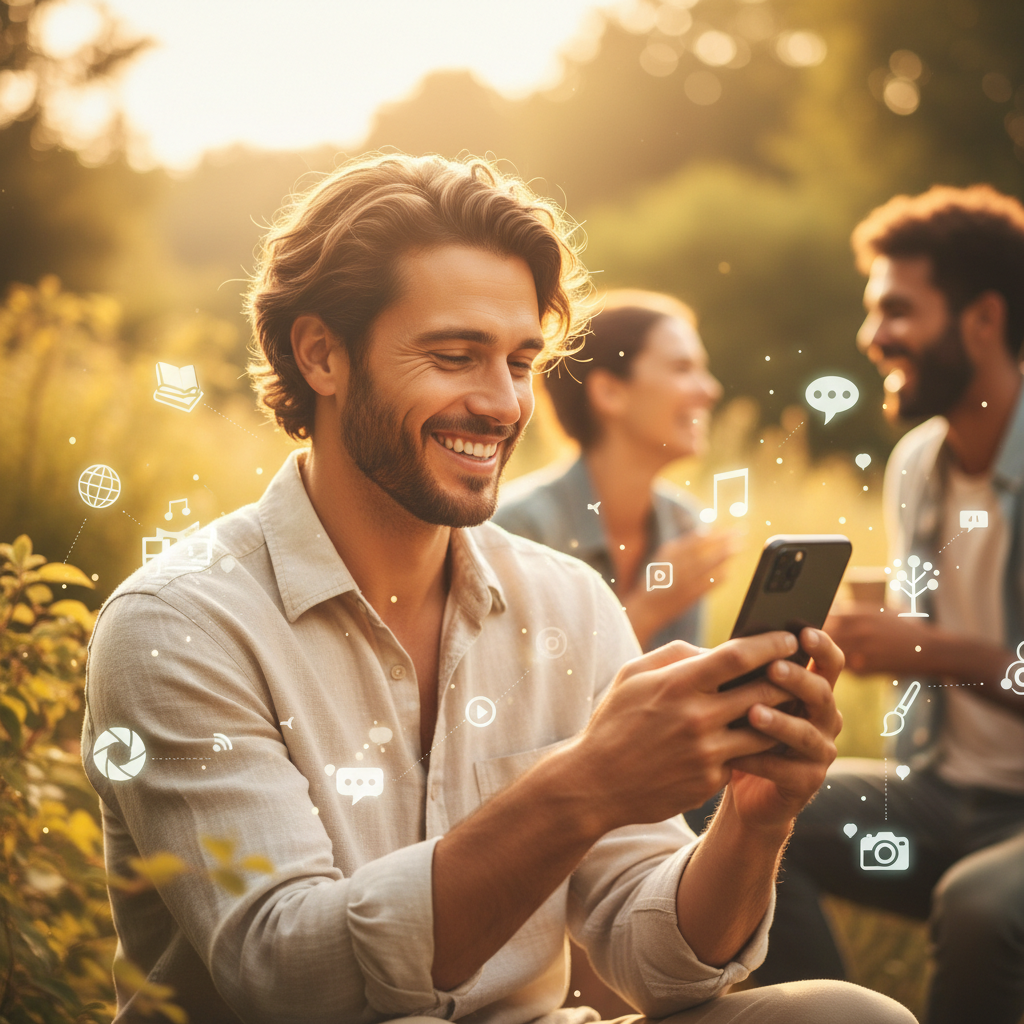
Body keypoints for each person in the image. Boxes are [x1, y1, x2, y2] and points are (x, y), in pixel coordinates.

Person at [82, 153, 911, 1024]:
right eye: (454, 356)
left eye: (519, 362)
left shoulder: (568, 602)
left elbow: (659, 965)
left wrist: (755, 822)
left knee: (852, 1016)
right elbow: (291, 976)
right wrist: (584, 785)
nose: (504, 404)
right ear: (321, 354)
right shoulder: (178, 626)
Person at [759, 185, 1024, 1024]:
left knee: (985, 908)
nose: (873, 337)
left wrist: (934, 653)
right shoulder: (918, 463)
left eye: (897, 310)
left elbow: (942, 650)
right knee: (735, 801)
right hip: (944, 796)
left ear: (983, 318)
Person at [494, 291, 736, 652]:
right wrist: (648, 608)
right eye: (683, 369)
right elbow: (522, 694)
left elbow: (679, 698)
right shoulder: (516, 532)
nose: (710, 390)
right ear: (609, 392)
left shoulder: (684, 524)